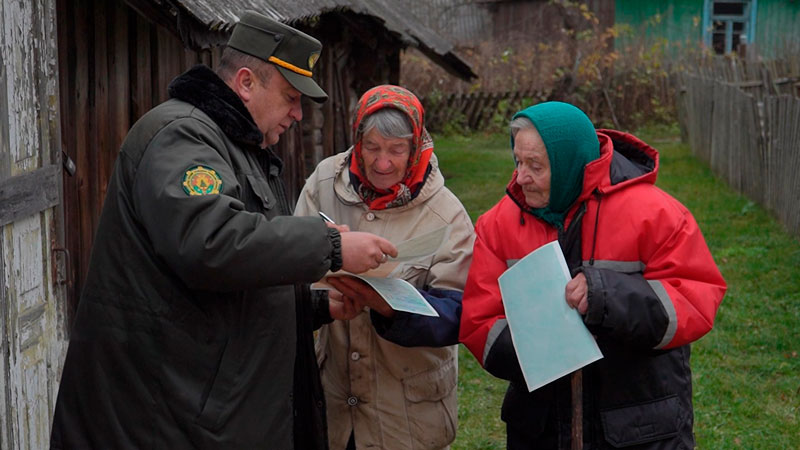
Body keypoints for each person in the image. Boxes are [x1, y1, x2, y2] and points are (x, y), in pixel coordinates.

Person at [50, 11, 397, 450]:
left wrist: (314, 307)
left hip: (200, 409)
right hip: (163, 419)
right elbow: (210, 244)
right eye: (291, 96)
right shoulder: (183, 137)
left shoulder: (241, 145)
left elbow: (230, 286)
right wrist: (331, 246)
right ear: (247, 83)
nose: (297, 113)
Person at [459, 102, 726, 449]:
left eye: (535, 166)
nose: (520, 177)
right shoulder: (498, 224)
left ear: (571, 163)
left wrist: (606, 295)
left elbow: (695, 300)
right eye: (518, 161)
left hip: (639, 428)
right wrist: (540, 351)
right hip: (541, 429)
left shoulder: (656, 215)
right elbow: (479, 320)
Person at [294, 85, 474, 449]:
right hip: (335, 401)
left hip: (407, 414)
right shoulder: (325, 182)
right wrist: (321, 301)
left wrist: (393, 309)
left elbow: (462, 311)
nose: (382, 163)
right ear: (357, 139)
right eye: (372, 148)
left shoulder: (446, 212)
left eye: (396, 150)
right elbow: (292, 267)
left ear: (416, 147)